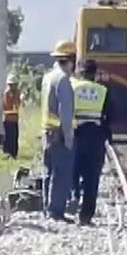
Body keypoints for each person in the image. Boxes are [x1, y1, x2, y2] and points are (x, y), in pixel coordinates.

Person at [70, 59, 112, 225]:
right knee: (92, 177)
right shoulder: (103, 90)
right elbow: (110, 116)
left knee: (73, 170)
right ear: (95, 74)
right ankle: (86, 216)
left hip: (75, 135)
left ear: (80, 73)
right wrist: (106, 136)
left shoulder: (73, 88)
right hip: (95, 137)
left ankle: (74, 197)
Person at [41, 40, 76, 222]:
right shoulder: (62, 79)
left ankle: (47, 208)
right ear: (70, 60)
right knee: (62, 172)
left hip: (46, 131)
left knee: (48, 172)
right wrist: (69, 136)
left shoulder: (48, 77)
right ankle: (56, 211)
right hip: (59, 133)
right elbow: (66, 111)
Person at [2, 74, 22, 158]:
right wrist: (15, 97)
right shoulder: (7, 93)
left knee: (15, 137)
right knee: (9, 137)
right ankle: (7, 153)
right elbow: (9, 105)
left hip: (15, 119)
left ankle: (14, 153)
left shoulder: (17, 93)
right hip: (8, 119)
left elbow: (19, 105)